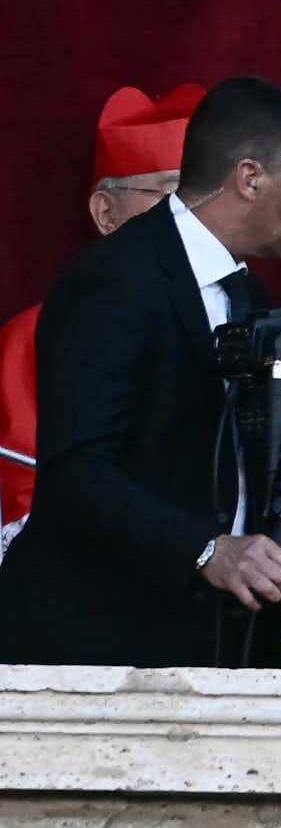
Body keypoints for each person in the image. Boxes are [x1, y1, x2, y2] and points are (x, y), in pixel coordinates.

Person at [0, 77, 281, 668]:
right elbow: (78, 472)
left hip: (208, 639)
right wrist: (206, 551)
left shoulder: (250, 294)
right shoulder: (113, 281)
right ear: (250, 178)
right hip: (94, 645)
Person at [0, 83, 203, 562]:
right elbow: (28, 493)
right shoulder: (37, 336)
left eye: (203, 199)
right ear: (106, 213)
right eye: (172, 196)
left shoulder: (237, 321)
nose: (195, 221)